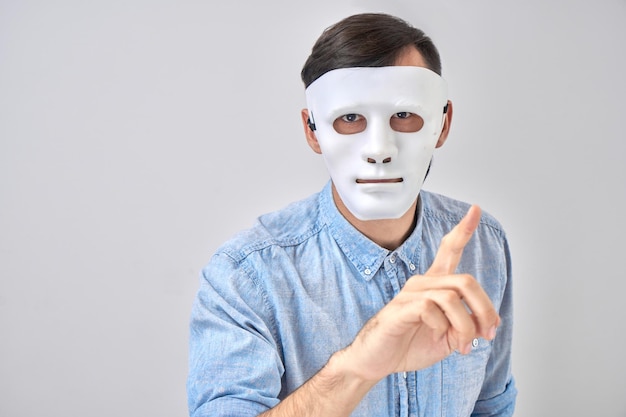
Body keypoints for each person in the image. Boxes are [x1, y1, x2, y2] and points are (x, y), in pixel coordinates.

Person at [187, 12, 517, 417]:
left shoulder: (483, 245)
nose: (379, 148)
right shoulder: (246, 276)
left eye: (403, 115)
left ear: (443, 123)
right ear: (312, 130)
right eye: (349, 118)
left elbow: (490, 407)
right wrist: (358, 367)